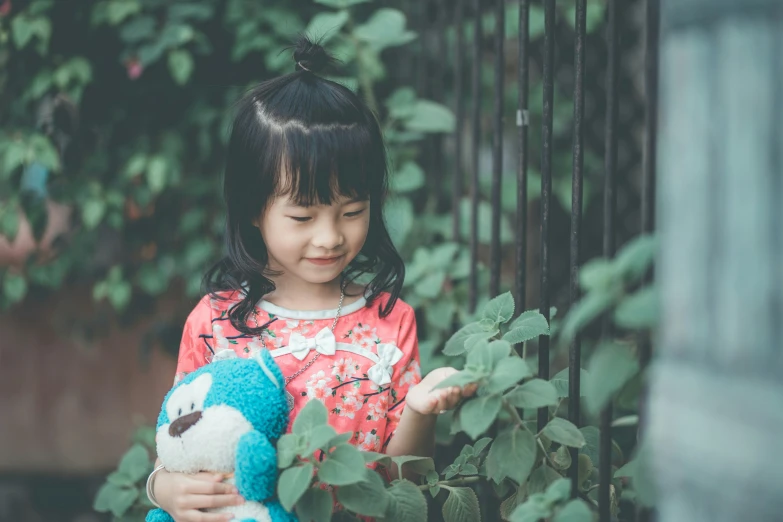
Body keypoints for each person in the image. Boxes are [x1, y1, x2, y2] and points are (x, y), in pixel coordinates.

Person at [146, 37, 476, 522]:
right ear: (252, 210)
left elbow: (406, 481)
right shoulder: (214, 322)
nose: (330, 237)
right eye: (302, 216)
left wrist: (420, 411)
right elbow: (176, 442)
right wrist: (164, 490)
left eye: (352, 212)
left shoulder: (389, 322)